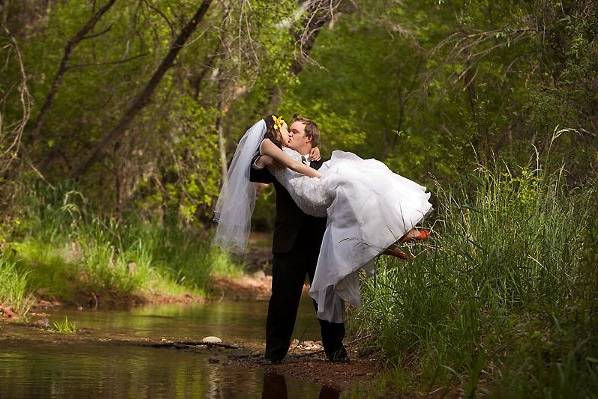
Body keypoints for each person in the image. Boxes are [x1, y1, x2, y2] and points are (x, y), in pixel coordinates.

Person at [213, 115, 432, 357]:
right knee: (283, 301)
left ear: (308, 138)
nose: (290, 135)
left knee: (330, 296)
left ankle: (336, 353)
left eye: (295, 132)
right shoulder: (278, 159)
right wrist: (260, 159)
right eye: (289, 130)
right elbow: (254, 171)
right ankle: (274, 356)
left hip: (321, 241)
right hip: (289, 243)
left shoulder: (323, 163)